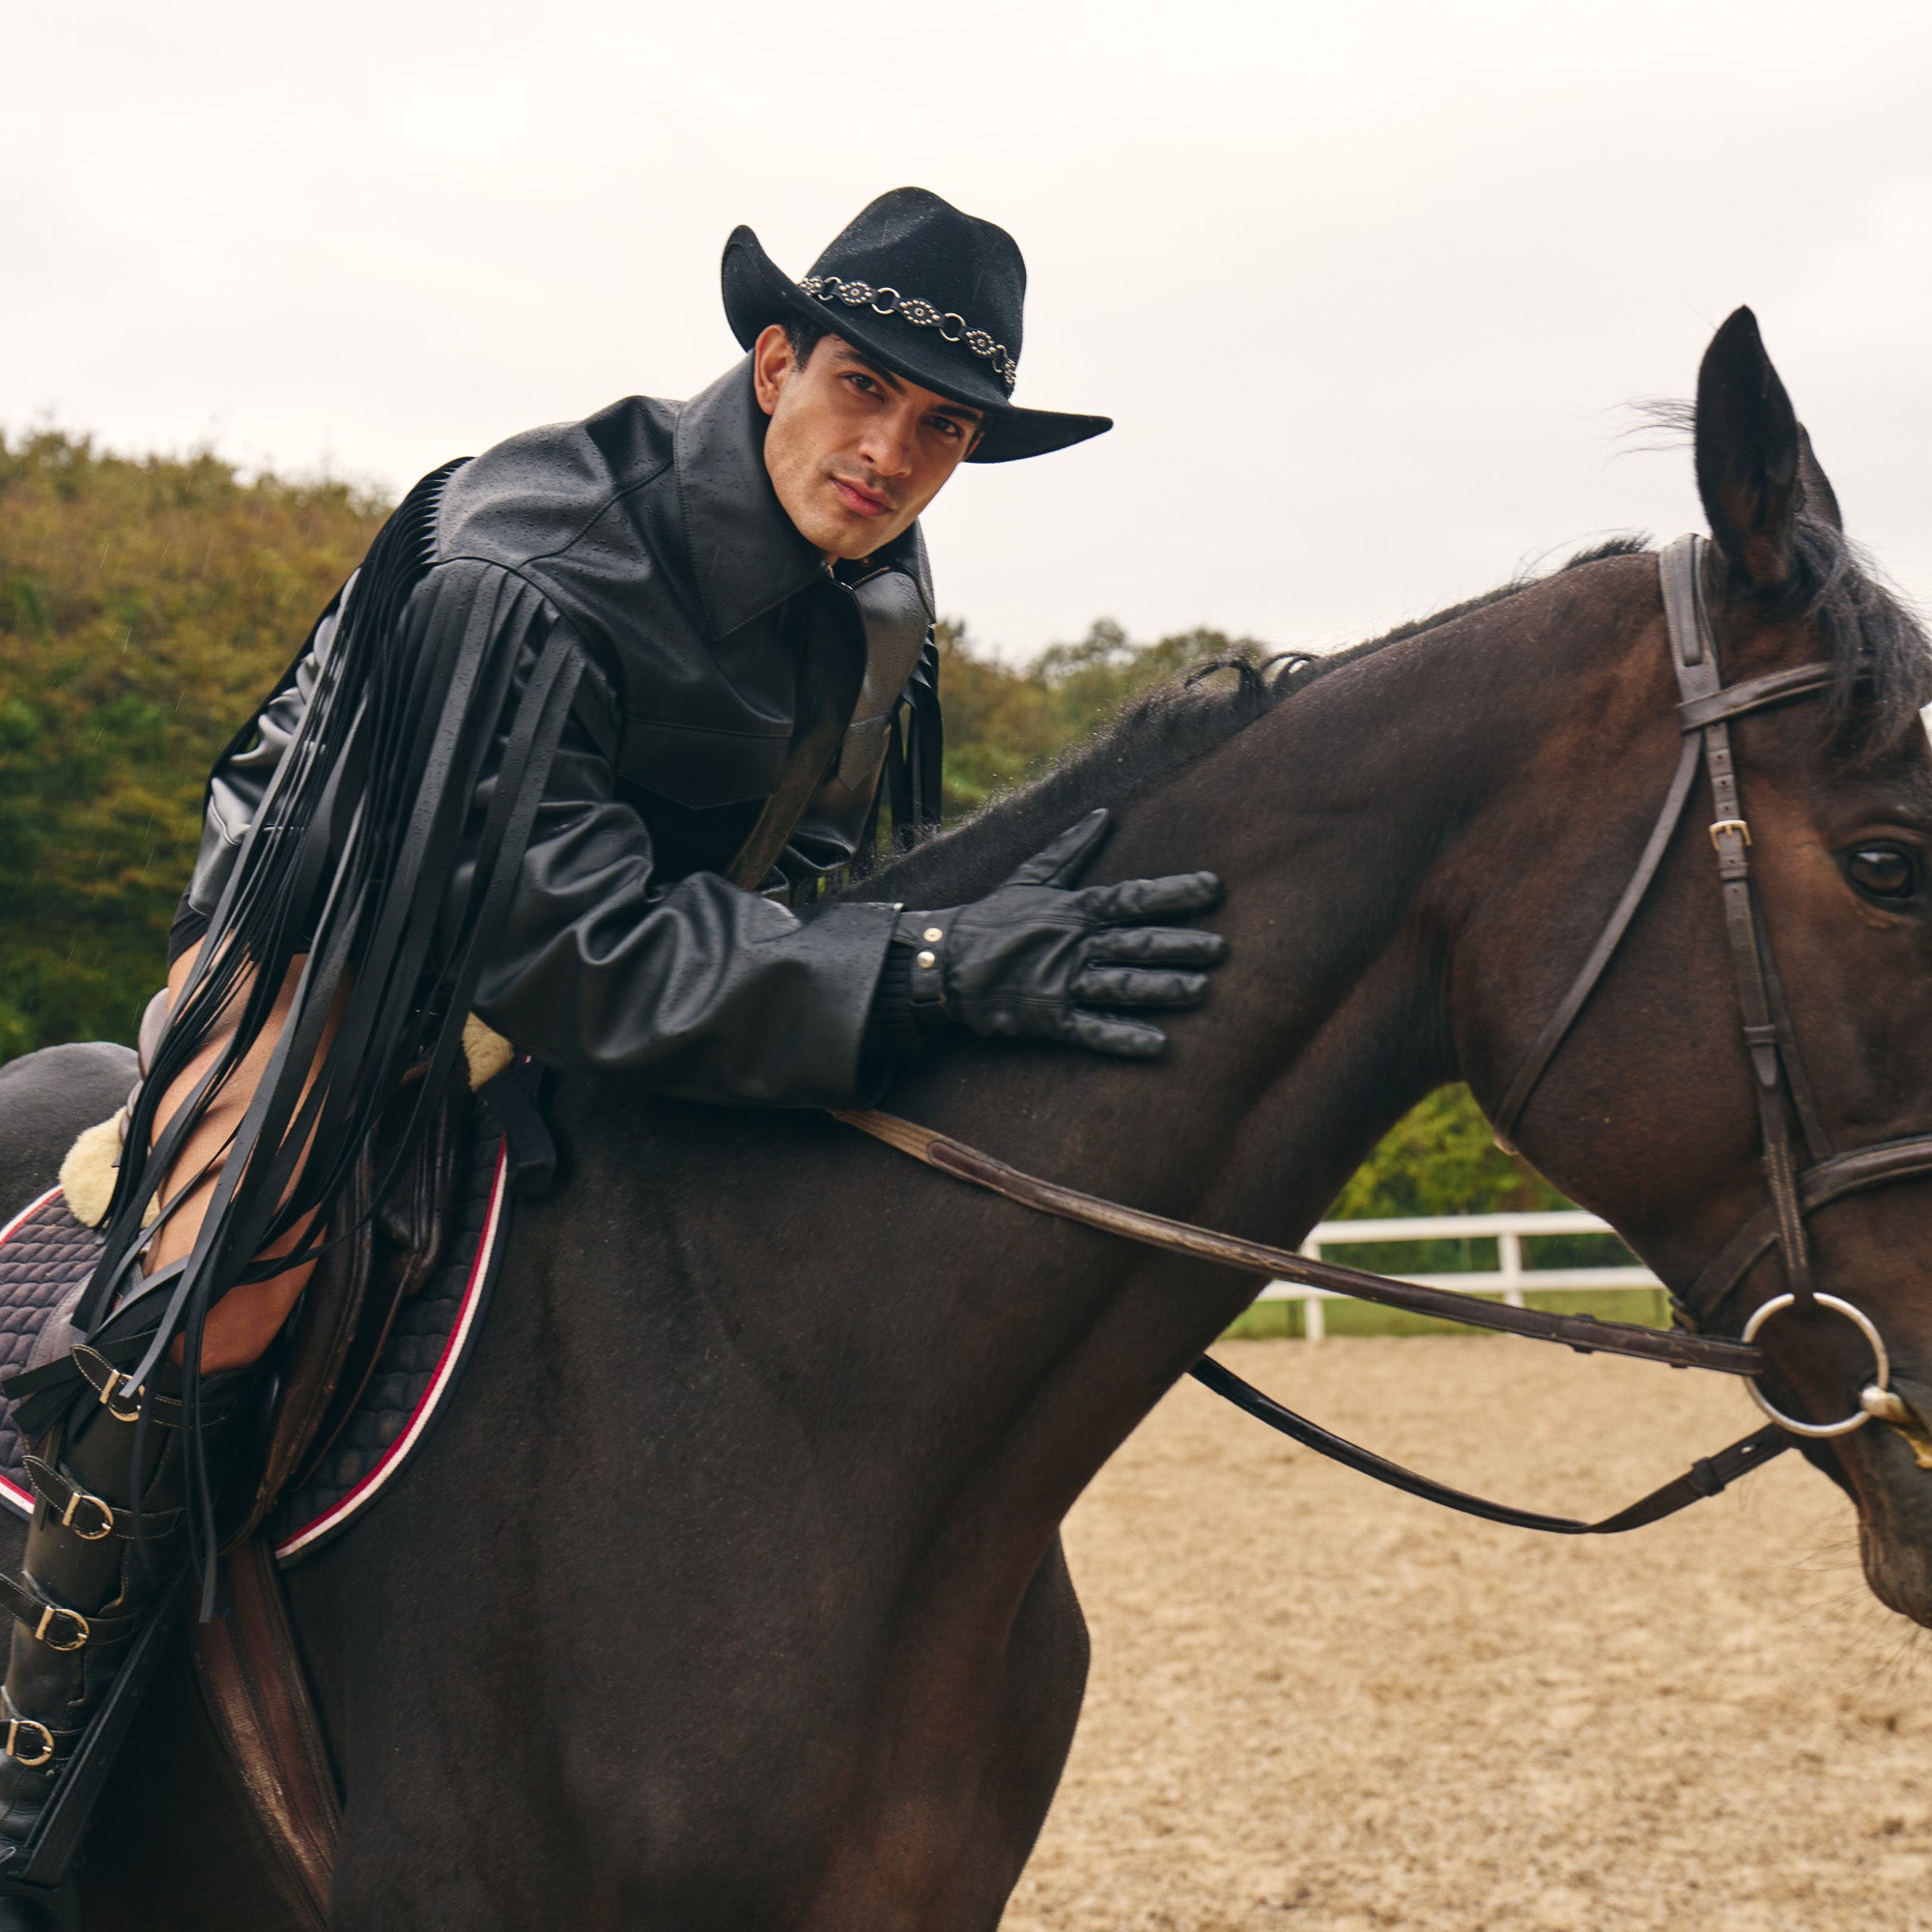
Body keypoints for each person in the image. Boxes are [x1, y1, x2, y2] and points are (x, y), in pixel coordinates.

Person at [0, 186, 1229, 1920]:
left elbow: (812, 860)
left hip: (612, 939)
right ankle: (29, 1788)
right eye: (863, 391)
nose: (892, 453)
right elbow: (561, 944)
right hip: (361, 926)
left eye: (940, 427)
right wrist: (931, 967)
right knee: (246, 1251)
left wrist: (906, 951)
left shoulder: (876, 580)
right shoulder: (529, 555)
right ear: (776, 357)